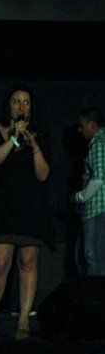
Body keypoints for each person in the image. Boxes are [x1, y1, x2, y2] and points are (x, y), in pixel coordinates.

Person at [0, 84, 54, 340]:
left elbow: (43, 175)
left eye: (26, 102)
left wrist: (33, 146)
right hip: (2, 207)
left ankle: (24, 320)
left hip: (30, 208)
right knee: (0, 263)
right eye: (16, 101)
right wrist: (13, 139)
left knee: (27, 263)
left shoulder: (40, 137)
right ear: (8, 105)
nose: (21, 107)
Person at [70, 107, 105, 275]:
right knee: (84, 257)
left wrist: (79, 196)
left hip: (98, 211)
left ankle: (96, 296)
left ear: (92, 125)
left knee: (94, 257)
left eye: (82, 125)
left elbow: (98, 178)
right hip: (92, 211)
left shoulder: (99, 143)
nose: (80, 129)